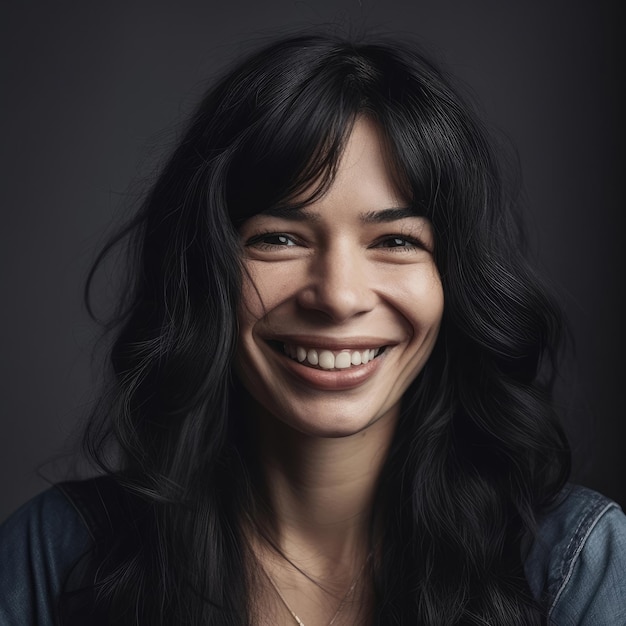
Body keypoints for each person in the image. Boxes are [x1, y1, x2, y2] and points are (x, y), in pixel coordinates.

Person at [1, 32, 625, 626]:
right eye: (278, 238)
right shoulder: (54, 558)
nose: (338, 296)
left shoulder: (574, 568)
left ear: (455, 282)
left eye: (397, 241)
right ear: (203, 270)